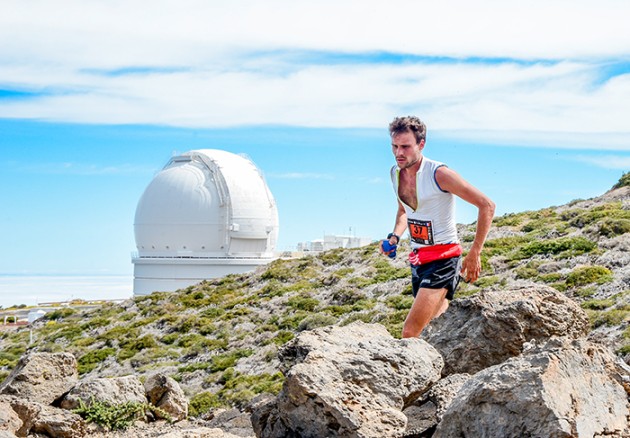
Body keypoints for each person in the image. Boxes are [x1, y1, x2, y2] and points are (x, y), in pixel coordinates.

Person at [382, 116, 495, 338]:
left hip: (444, 259)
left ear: (421, 144)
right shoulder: (395, 173)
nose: (399, 153)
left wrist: (475, 253)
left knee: (410, 332)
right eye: (394, 146)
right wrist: (395, 237)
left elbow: (487, 205)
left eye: (405, 146)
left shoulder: (439, 174)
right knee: (433, 330)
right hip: (418, 260)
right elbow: (404, 211)